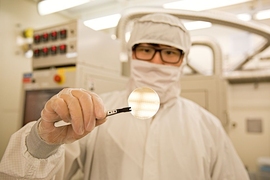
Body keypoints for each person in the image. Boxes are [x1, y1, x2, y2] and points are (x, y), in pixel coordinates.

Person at [0, 13, 250, 180]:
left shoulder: (207, 126)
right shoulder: (96, 110)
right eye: (146, 50)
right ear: (131, 53)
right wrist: (43, 142)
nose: (156, 61)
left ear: (183, 60)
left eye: (169, 53)